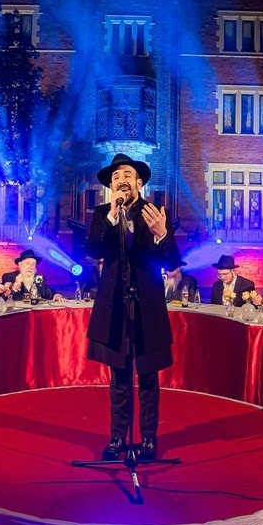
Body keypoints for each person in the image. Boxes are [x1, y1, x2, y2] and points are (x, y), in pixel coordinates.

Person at [85, 153, 179, 461]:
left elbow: (172, 261)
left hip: (147, 307)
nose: (120, 180)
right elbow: (94, 250)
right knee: (119, 377)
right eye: (115, 177)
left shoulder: (155, 214)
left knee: (148, 377)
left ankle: (149, 439)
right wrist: (112, 218)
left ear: (139, 182)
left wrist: (162, 234)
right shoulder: (103, 214)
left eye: (127, 175)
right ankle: (117, 438)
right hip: (115, 308)